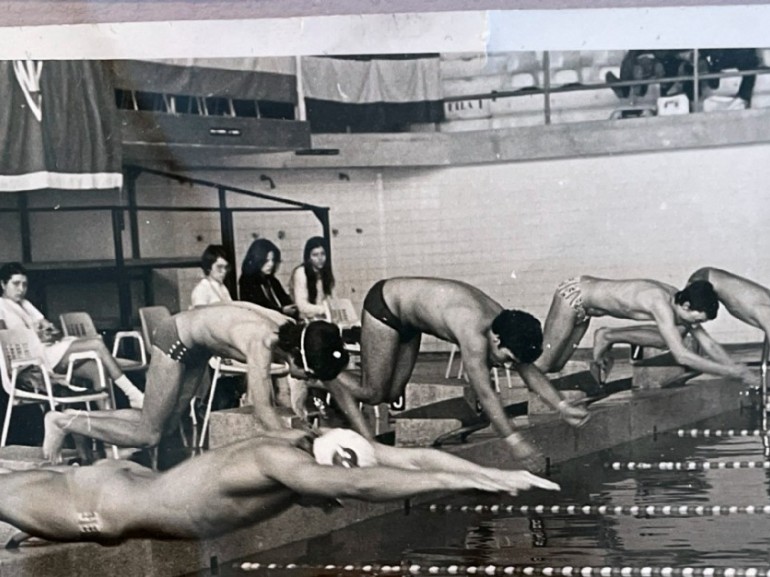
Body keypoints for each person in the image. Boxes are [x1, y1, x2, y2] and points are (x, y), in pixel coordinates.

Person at [2, 428, 559, 545]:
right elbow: (366, 482)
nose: (330, 503)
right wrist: (456, 484)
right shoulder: (281, 463)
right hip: (95, 507)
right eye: (331, 492)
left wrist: (489, 475)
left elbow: (406, 455)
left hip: (120, 482)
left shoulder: (309, 441)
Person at [42, 302, 349, 463]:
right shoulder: (262, 342)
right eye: (309, 375)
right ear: (299, 357)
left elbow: (232, 305)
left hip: (196, 345)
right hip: (176, 340)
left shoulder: (288, 328)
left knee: (166, 423)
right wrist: (302, 443)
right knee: (149, 434)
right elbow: (263, 409)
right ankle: (62, 421)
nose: (307, 381)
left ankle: (75, 422)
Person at [326, 277, 589, 462]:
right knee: (372, 392)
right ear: (496, 339)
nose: (508, 366)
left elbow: (528, 370)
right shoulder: (473, 332)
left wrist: (563, 406)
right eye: (507, 358)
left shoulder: (505, 326)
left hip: (409, 318)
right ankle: (321, 372)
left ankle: (328, 381)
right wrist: (513, 440)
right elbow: (486, 394)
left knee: (391, 393)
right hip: (385, 305)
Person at [532, 275, 758, 388]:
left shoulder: (680, 303)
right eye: (696, 319)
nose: (695, 325)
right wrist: (730, 372)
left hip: (587, 309)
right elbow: (681, 355)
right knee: (541, 365)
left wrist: (734, 366)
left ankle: (607, 335)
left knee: (556, 366)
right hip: (573, 296)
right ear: (687, 306)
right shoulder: (660, 303)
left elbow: (708, 344)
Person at [0, 262, 145, 409]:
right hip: (34, 360)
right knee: (96, 344)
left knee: (97, 369)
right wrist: (35, 336)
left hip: (50, 352)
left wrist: (49, 333)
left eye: (24, 285)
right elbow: (4, 338)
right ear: (3, 284)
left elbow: (51, 329)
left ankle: (109, 420)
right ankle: (133, 394)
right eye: (16, 284)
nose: (21, 289)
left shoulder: (25, 304)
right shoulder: (1, 306)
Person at [594, 267, 770, 371]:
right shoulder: (766, 312)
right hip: (707, 279)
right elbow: (709, 344)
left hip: (710, 277)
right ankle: (610, 336)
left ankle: (614, 336)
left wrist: (732, 368)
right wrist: (733, 370)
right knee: (677, 335)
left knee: (675, 334)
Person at [239, 238, 297, 316]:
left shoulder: (272, 280)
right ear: (256, 260)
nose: (271, 264)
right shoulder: (247, 281)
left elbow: (285, 300)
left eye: (273, 260)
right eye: (266, 260)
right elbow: (259, 307)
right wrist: (282, 310)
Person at [290, 236, 334, 321]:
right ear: (308, 257)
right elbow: (301, 306)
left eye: (323, 254)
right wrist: (325, 309)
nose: (320, 258)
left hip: (320, 318)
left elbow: (327, 299)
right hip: (304, 319)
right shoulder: (301, 272)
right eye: (315, 255)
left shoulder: (324, 271)